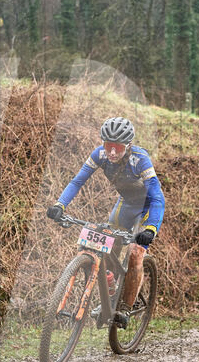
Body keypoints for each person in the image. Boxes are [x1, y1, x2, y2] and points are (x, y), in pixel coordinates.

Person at [46, 117, 165, 327]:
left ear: (128, 145)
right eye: (108, 145)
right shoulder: (99, 155)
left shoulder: (140, 160)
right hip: (126, 205)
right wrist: (60, 205)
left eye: (118, 147)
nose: (112, 152)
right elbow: (77, 181)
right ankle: (111, 295)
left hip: (146, 209)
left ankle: (125, 308)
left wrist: (151, 229)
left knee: (135, 253)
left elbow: (157, 198)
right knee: (107, 244)